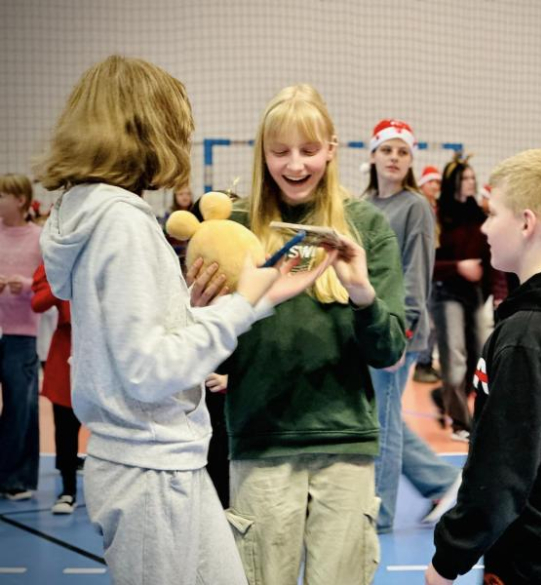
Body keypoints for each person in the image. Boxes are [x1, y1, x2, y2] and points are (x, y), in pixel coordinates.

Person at [36, 55, 327, 585]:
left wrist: (198, 309)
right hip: (149, 468)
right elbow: (150, 370)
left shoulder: (89, 212)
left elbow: (133, 339)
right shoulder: (122, 222)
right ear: (149, 127)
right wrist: (245, 305)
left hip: (162, 462)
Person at [201, 84, 406, 585]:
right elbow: (209, 346)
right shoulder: (237, 226)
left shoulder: (366, 226)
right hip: (261, 440)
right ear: (262, 153)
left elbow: (389, 350)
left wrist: (361, 291)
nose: (295, 165)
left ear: (332, 150)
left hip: (345, 442)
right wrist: (203, 318)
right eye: (280, 152)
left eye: (309, 151)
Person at [426, 149, 541, 585]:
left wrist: (448, 558)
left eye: (493, 214)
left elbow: (503, 468)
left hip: (537, 556)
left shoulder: (528, 335)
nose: (485, 227)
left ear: (527, 223)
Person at [361, 119, 461, 532]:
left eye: (402, 152)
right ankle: (443, 480)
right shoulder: (363, 204)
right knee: (382, 419)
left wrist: (402, 331)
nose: (395, 158)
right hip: (368, 329)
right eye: (387, 150)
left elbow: (415, 273)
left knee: (383, 424)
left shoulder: (416, 206)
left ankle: (380, 515)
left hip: (399, 333)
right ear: (373, 155)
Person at [431, 153, 490, 442]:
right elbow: (426, 263)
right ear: (453, 181)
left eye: (472, 178)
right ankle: (459, 421)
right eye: (464, 178)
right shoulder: (439, 215)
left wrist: (493, 293)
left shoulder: (479, 214)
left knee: (478, 359)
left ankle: (444, 397)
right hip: (446, 293)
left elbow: (490, 260)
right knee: (454, 361)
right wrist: (458, 267)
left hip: (475, 296)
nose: (470, 182)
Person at [0, 173, 41, 501]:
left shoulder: (39, 239)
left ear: (20, 200)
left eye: (3, 195)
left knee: (21, 406)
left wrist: (25, 285)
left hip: (22, 334)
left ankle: (18, 479)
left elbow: (49, 283)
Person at [31, 264, 80, 514]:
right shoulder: (55, 261)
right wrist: (64, 278)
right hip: (66, 351)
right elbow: (38, 302)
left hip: (106, 351)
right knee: (65, 426)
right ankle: (68, 488)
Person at [414, 165, 443, 384]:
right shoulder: (419, 206)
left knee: (434, 320)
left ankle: (426, 362)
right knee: (427, 320)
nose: (435, 186)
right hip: (422, 271)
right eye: (431, 182)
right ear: (423, 183)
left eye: (437, 183)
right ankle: (421, 364)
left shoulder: (437, 208)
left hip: (435, 271)